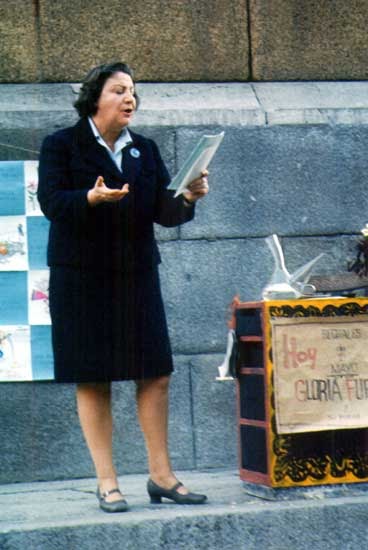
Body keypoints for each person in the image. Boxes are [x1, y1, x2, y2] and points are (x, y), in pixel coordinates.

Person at [37, 62, 209, 513]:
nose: (129, 98)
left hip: (136, 275)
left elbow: (162, 212)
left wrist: (187, 198)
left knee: (155, 371)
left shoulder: (144, 150)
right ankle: (107, 482)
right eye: (119, 90)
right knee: (93, 376)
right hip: (81, 277)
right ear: (96, 98)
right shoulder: (61, 145)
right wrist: (89, 198)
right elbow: (51, 203)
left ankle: (161, 476)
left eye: (133, 91)